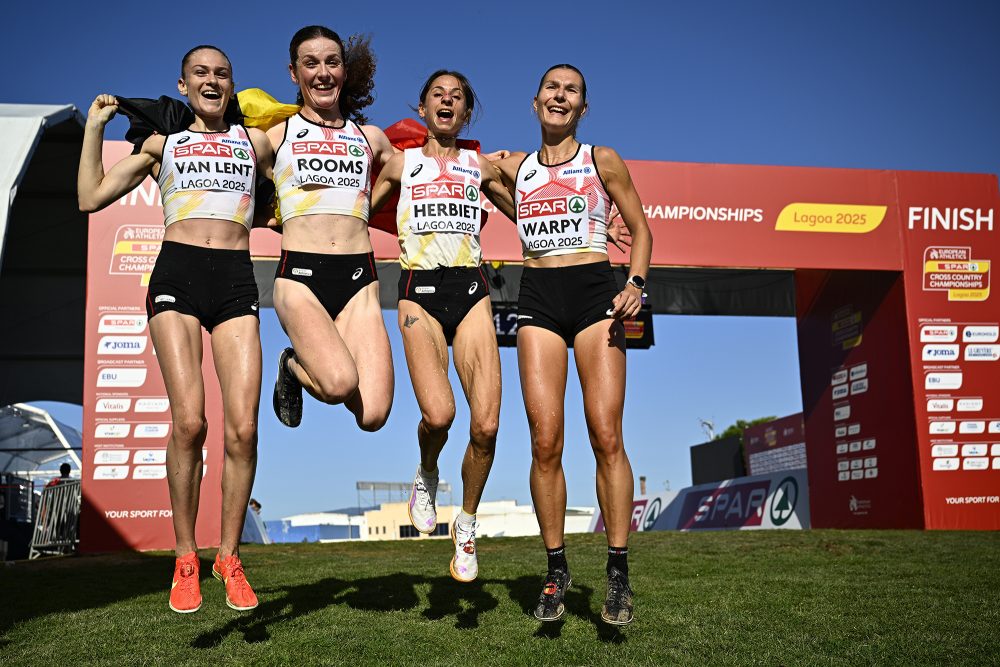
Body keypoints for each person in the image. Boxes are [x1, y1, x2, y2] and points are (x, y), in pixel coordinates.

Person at [78, 45, 273, 614]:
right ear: (183, 86)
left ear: (231, 86)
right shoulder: (163, 145)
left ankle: (230, 557)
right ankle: (185, 556)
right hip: (178, 276)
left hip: (236, 278)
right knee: (190, 421)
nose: (212, 81)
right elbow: (90, 196)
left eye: (222, 74)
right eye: (201, 74)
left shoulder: (255, 141)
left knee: (243, 431)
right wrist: (94, 130)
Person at [492, 64, 652, 625]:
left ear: (582, 109)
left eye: (572, 91)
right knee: (544, 439)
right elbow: (443, 158)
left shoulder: (602, 159)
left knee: (606, 433)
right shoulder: (512, 168)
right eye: (552, 88)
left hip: (592, 293)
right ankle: (556, 569)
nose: (560, 96)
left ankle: (617, 572)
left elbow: (642, 230)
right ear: (535, 101)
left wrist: (634, 283)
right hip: (537, 292)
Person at [370, 70, 516, 582]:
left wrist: (588, 225)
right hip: (419, 291)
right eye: (438, 95)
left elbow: (527, 212)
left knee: (488, 425)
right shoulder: (399, 162)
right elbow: (352, 215)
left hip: (471, 288)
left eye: (457, 97)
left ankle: (468, 524)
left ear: (466, 112)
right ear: (423, 107)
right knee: (439, 415)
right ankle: (427, 471)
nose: (447, 102)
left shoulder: (481, 165)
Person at [268, 26, 394, 432]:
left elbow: (419, 171)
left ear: (344, 70)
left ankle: (306, 362)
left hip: (359, 279)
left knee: (373, 414)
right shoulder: (276, 136)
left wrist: (479, 164)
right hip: (301, 278)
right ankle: (291, 364)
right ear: (294, 73)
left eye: (332, 62)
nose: (322, 73)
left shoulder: (370, 138)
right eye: (311, 63)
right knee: (339, 383)